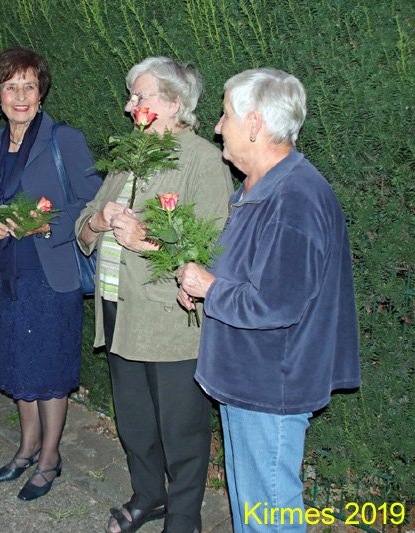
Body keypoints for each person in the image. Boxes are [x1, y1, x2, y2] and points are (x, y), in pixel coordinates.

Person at [175, 68, 361, 532]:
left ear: (254, 124)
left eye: (225, 115)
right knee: (253, 511)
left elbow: (275, 303)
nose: (218, 126)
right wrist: (206, 280)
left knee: (270, 514)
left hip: (270, 386)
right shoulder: (260, 187)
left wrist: (210, 288)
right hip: (248, 380)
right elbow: (251, 272)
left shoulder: (295, 197)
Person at [76, 57, 234, 533]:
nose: (129, 107)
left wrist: (144, 240)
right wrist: (98, 221)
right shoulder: (130, 156)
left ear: (173, 102)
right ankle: (149, 495)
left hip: (170, 320)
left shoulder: (203, 161)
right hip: (117, 312)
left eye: (139, 97)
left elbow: (213, 249)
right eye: (132, 97)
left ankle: (184, 518)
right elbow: (84, 225)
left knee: (181, 430)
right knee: (135, 423)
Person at [0, 48, 102, 500]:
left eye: (29, 86)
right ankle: (25, 449)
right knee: (18, 363)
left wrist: (49, 225)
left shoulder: (64, 140)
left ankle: (50, 458)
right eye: (11, 87)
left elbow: (93, 200)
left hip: (49, 275)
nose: (20, 96)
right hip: (3, 274)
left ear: (41, 93)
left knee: (50, 366)